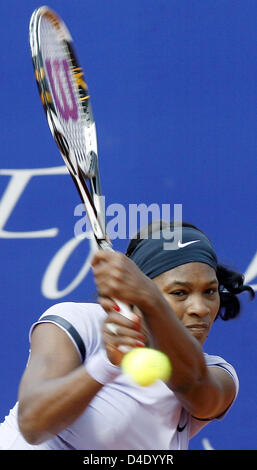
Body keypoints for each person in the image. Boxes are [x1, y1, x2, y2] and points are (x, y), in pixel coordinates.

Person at [0, 221, 254, 450]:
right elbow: (33, 425)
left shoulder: (216, 374)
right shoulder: (78, 323)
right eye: (179, 293)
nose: (200, 308)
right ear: (134, 291)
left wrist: (149, 298)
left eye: (210, 291)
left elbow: (198, 390)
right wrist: (106, 364)